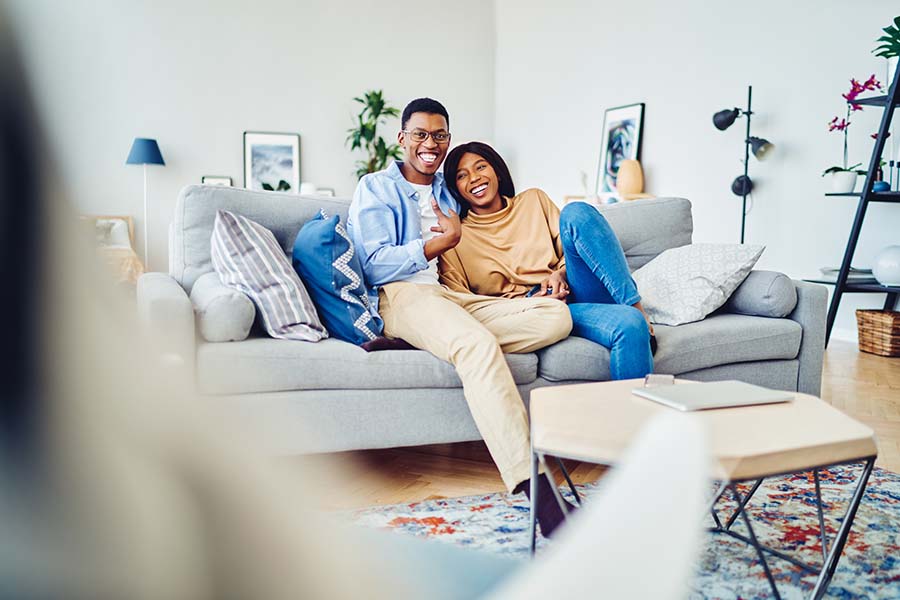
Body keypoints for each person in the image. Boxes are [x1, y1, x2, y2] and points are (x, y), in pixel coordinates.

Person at [346, 99, 575, 537]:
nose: (430, 144)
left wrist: (552, 271)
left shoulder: (449, 192)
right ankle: (534, 486)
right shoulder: (375, 187)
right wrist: (438, 243)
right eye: (420, 134)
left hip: (449, 297)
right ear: (402, 138)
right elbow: (372, 264)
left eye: (439, 135)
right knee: (476, 346)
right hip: (400, 295)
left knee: (555, 319)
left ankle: (428, 338)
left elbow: (497, 227)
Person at [439, 141, 654, 381]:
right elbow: (463, 303)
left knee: (577, 212)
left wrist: (559, 274)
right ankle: (632, 411)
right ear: (455, 188)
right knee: (630, 325)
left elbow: (573, 250)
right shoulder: (455, 238)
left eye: (481, 167)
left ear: (497, 171)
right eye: (462, 175)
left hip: (573, 288)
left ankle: (636, 306)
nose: (474, 178)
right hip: (537, 313)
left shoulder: (533, 201)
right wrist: (528, 305)